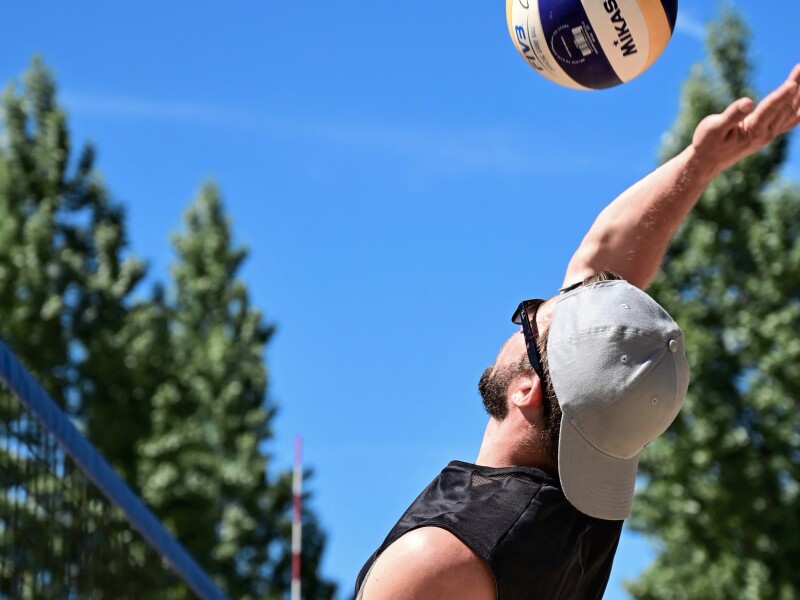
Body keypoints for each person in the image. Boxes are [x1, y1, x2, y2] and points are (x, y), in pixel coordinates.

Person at [355, 65, 800, 600]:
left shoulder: (443, 559)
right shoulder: (584, 517)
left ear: (527, 388)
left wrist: (702, 163)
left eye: (530, 317)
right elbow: (604, 268)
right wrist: (700, 163)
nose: (532, 310)